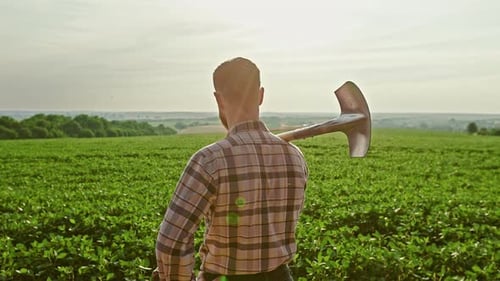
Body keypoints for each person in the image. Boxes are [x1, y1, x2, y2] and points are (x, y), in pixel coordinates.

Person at [155, 57, 308, 281]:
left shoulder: (209, 160)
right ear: (261, 95)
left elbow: (171, 241)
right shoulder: (295, 157)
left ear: (219, 99)